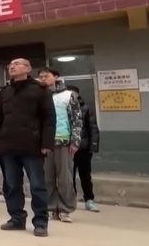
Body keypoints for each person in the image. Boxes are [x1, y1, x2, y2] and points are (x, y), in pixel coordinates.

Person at [0, 58, 55, 237]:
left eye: (17, 64)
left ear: (28, 68)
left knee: (37, 186)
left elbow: (49, 118)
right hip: (8, 146)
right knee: (11, 185)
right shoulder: (5, 92)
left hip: (32, 146)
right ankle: (16, 219)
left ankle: (41, 222)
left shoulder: (40, 90)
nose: (11, 66)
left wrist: (46, 143)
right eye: (10, 65)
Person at [37, 68, 82, 223]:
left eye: (46, 76)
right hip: (45, 143)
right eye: (40, 77)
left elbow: (76, 120)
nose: (43, 78)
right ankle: (50, 208)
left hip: (64, 141)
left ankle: (65, 209)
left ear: (56, 77)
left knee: (65, 178)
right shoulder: (39, 95)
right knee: (47, 178)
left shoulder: (68, 95)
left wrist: (75, 141)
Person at [68, 85, 100, 213]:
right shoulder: (63, 108)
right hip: (67, 148)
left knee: (85, 175)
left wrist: (93, 145)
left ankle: (89, 200)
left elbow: (93, 127)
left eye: (72, 94)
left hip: (83, 148)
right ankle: (71, 200)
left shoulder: (86, 108)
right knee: (68, 176)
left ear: (77, 94)